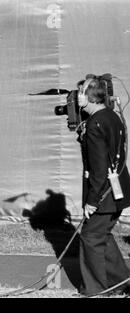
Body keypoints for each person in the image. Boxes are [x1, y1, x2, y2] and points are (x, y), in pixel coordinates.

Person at [77, 77, 130, 296]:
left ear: (88, 96)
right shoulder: (112, 117)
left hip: (104, 193)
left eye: (80, 91)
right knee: (102, 235)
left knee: (90, 237)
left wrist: (91, 201)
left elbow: (98, 168)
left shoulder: (95, 124)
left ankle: (96, 289)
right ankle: (121, 282)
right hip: (118, 190)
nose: (77, 96)